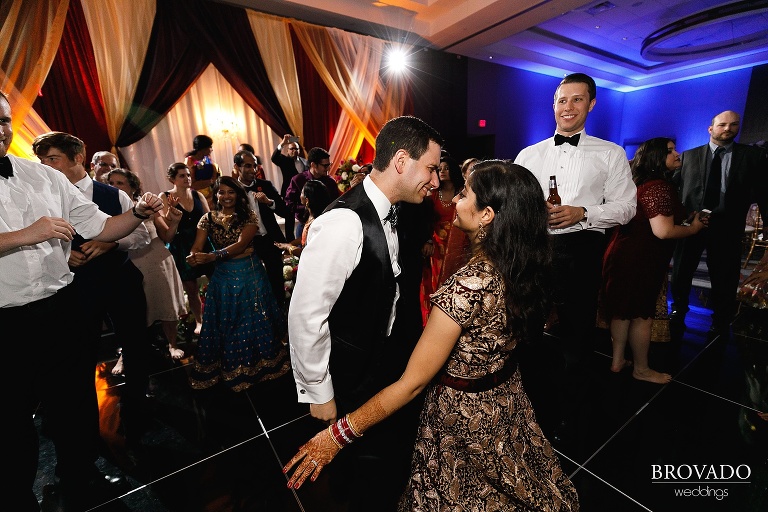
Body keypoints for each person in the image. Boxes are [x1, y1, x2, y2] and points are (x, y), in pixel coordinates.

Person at [284, 160, 580, 512]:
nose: (453, 198)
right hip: (504, 396)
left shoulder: (465, 289)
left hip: (462, 414)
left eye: (465, 193)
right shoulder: (520, 264)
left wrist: (337, 436)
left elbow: (411, 384)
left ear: (486, 215)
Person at [0, 90, 164, 511]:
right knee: (12, 420)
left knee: (73, 404)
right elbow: (32, 234)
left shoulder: (44, 176)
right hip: (5, 322)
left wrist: (141, 214)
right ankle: (17, 496)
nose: (0, 130)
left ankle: (80, 475)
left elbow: (102, 227)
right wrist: (25, 234)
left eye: (3, 120)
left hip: (60, 308)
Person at [287, 115, 443, 510]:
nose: (437, 181)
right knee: (353, 476)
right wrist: (318, 391)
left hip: (383, 359)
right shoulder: (343, 222)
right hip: (349, 372)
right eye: (432, 168)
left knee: (383, 464)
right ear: (402, 161)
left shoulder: (396, 210)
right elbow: (306, 316)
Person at [514, 72, 636, 445]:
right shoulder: (528, 155)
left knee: (577, 339)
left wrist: (584, 213)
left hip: (581, 251)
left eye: (577, 100)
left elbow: (627, 208)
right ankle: (528, 410)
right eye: (562, 100)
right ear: (553, 104)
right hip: (535, 251)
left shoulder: (610, 153)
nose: (568, 107)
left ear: (591, 104)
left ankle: (570, 416)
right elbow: (514, 206)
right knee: (527, 335)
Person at [32, 131, 157, 452]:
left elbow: (143, 235)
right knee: (79, 356)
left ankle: (137, 408)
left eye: (52, 159)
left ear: (78, 158)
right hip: (74, 289)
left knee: (135, 344)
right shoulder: (40, 197)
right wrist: (63, 254)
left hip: (120, 281)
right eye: (41, 160)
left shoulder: (113, 195)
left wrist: (110, 241)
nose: (45, 166)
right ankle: (85, 426)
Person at [601, 138, 708, 384]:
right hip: (640, 258)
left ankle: (617, 361)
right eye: (670, 151)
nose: (677, 154)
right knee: (641, 315)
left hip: (622, 253)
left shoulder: (638, 183)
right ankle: (641, 368)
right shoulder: (659, 186)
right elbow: (663, 231)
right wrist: (693, 229)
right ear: (656, 157)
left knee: (621, 312)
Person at [670, 110, 768, 341]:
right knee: (682, 270)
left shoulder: (751, 156)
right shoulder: (689, 156)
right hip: (691, 223)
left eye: (733, 125)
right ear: (710, 128)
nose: (728, 129)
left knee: (724, 275)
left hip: (728, 225)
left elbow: (764, 193)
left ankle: (721, 320)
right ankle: (679, 310)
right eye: (722, 124)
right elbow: (675, 190)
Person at [186, 176, 289, 391]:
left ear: (238, 194)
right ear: (216, 195)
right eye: (221, 192)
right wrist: (194, 255)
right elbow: (197, 245)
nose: (226, 196)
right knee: (228, 320)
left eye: (230, 192)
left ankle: (262, 363)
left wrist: (212, 256)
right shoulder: (207, 218)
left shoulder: (248, 216)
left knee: (254, 318)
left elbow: (241, 245)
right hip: (223, 277)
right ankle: (232, 365)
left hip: (249, 274)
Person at [106, 168, 188, 372]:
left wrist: (175, 221)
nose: (114, 187)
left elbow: (167, 236)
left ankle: (172, 344)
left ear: (133, 187)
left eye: (120, 183)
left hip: (157, 261)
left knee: (165, 305)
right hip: (127, 265)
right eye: (112, 183)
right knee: (129, 315)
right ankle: (126, 354)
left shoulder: (147, 204)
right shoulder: (105, 207)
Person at [234, 150, 291, 310]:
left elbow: (284, 211)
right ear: (237, 167)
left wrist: (269, 202)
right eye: (247, 166)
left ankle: (281, 316)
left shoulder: (265, 185)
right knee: (252, 283)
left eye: (254, 166)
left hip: (270, 241)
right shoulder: (232, 190)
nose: (253, 170)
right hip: (247, 244)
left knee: (276, 281)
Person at [161, 162, 213, 336]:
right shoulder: (165, 196)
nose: (187, 178)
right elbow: (165, 226)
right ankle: (200, 321)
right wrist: (172, 212)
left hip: (203, 241)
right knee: (191, 288)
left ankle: (219, 315)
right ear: (172, 179)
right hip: (181, 245)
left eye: (188, 175)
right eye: (182, 176)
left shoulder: (198, 195)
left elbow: (208, 219)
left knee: (216, 281)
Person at [420, 151, 465, 324]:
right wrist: (428, 240)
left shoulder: (462, 193)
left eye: (446, 168)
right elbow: (426, 220)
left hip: (458, 241)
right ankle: (434, 318)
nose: (443, 171)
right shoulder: (432, 194)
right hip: (437, 243)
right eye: (440, 169)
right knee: (436, 279)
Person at [284, 146, 341, 240]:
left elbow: (336, 203)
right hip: (305, 226)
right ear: (313, 165)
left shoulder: (330, 181)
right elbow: (289, 204)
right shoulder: (298, 180)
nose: (328, 168)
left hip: (327, 226)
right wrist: (310, 207)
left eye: (329, 164)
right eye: (325, 165)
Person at [274, 179, 331, 258]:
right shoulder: (312, 215)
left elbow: (307, 254)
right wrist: (290, 244)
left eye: (301, 192)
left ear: (307, 200)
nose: (300, 195)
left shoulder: (317, 223)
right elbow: (305, 237)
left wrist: (288, 247)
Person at [272, 134, 308, 238]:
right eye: (291, 149)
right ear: (287, 151)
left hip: (304, 193)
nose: (294, 151)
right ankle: (290, 241)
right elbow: (274, 158)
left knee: (305, 215)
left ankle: (304, 237)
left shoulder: (305, 161)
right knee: (290, 218)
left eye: (296, 149)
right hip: (289, 193)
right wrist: (283, 143)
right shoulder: (284, 161)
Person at [184, 134, 221, 209]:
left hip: (211, 196)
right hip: (198, 197)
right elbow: (192, 184)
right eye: (210, 147)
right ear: (203, 148)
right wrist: (211, 181)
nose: (211, 149)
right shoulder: (190, 162)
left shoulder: (207, 159)